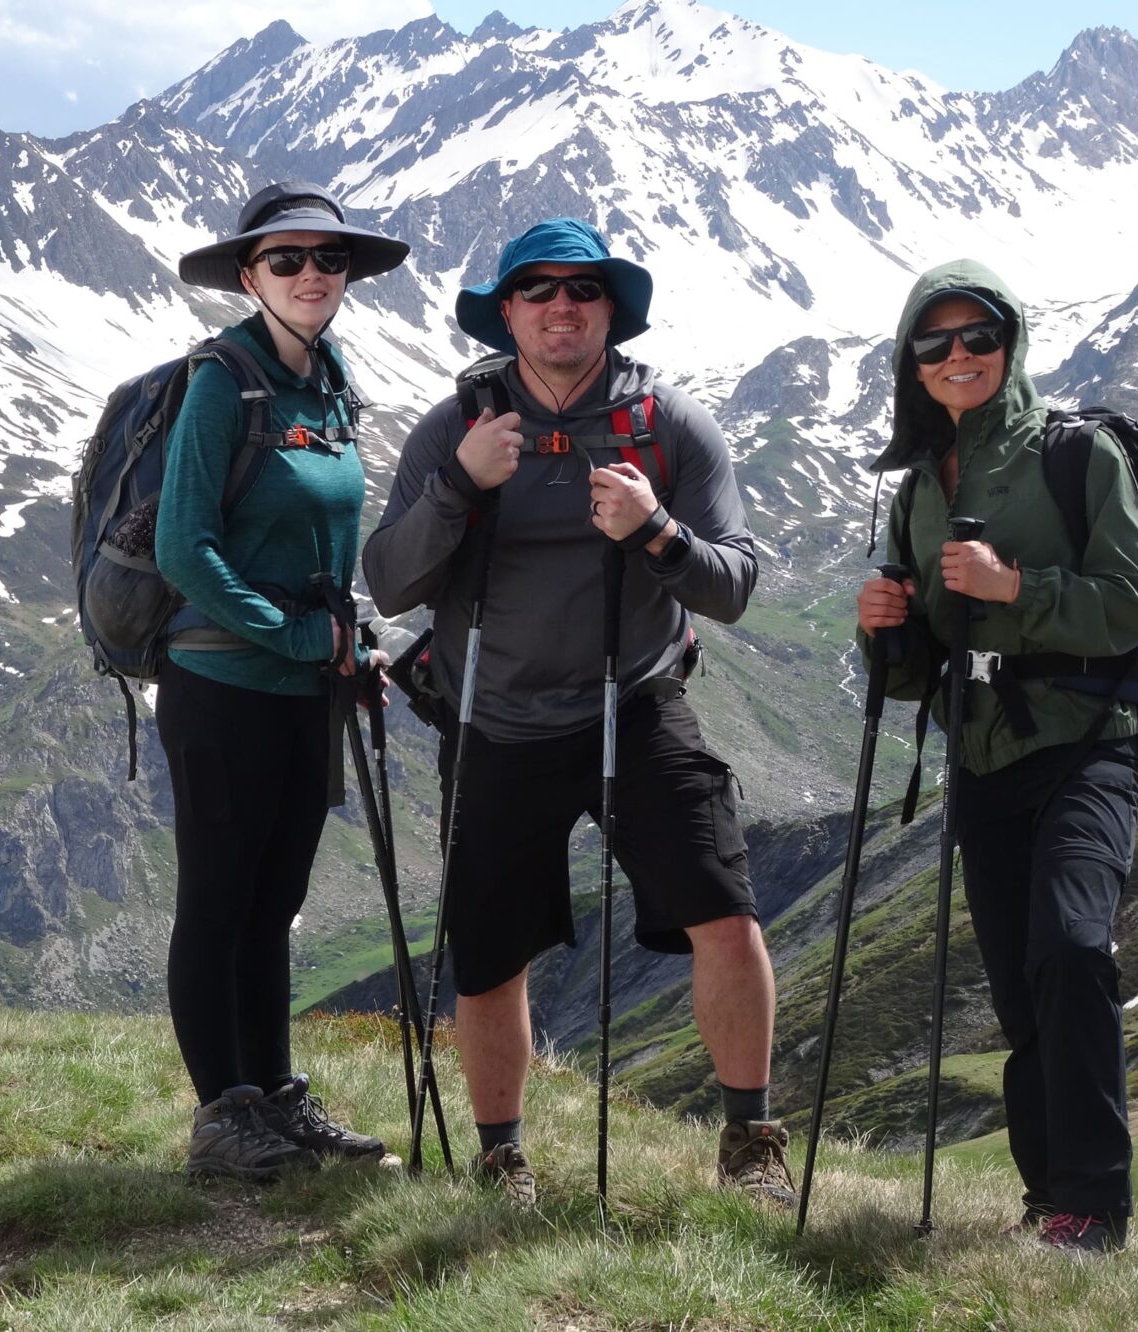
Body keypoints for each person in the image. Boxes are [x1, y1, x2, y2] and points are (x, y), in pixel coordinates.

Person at [363, 217, 794, 1208]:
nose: (562, 305)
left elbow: (732, 586)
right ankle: (501, 1159)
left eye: (583, 289)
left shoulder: (669, 425)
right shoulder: (457, 426)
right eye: (539, 289)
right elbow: (389, 581)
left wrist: (656, 533)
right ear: (507, 310)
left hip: (636, 706)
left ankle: (750, 1140)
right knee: (490, 956)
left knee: (723, 912)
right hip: (495, 724)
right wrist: (460, 486)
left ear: (610, 309)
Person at [855, 259, 1138, 1253]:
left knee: (1071, 949)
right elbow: (916, 672)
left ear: (1009, 342)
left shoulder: (1080, 456)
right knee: (1022, 988)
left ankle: (1097, 1205)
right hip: (980, 761)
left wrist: (1011, 583)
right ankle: (1053, 1203)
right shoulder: (916, 489)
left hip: (1085, 747)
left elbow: (1129, 605)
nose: (958, 357)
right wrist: (884, 631)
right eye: (934, 343)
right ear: (913, 362)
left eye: (976, 336)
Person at [156, 181, 407, 1181]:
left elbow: (324, 539)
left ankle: (276, 1096)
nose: (312, 275)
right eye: (288, 259)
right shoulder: (224, 381)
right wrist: (296, 640)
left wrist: (351, 643)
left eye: (329, 259)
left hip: (308, 688)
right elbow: (186, 550)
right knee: (218, 900)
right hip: (221, 686)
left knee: (273, 902)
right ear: (251, 274)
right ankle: (222, 1116)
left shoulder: (332, 380)